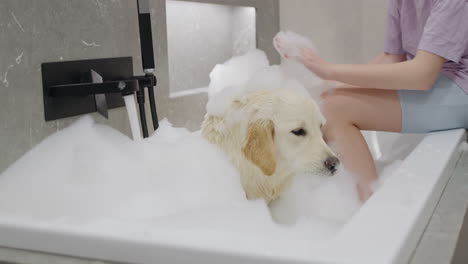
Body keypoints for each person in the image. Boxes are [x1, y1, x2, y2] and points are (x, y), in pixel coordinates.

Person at [275, 0, 468, 200]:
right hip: (435, 80)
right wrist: (329, 83)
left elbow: (422, 75)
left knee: (334, 109)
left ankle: (366, 207)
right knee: (323, 103)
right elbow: (391, 58)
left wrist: (329, 70)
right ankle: (349, 204)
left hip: (461, 88)